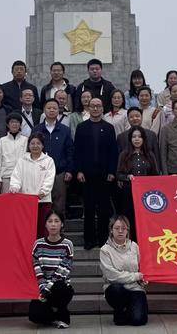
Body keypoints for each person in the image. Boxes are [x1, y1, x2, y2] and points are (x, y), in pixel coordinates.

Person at [73, 98, 119, 249]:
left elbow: (114, 152)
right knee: (89, 208)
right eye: (92, 106)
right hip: (86, 175)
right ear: (88, 108)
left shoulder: (109, 128)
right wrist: (78, 170)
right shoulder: (81, 127)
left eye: (98, 106)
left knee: (104, 209)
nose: (95, 109)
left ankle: (103, 239)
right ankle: (89, 240)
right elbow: (77, 151)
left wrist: (112, 171)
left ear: (102, 108)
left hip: (105, 175)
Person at [28, 211, 74, 329]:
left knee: (60, 286)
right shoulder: (38, 244)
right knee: (34, 315)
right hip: (43, 287)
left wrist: (47, 290)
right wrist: (43, 289)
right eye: (50, 221)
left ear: (62, 224)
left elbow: (63, 270)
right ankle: (54, 315)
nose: (53, 224)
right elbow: (37, 269)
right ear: (45, 224)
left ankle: (63, 316)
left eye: (56, 221)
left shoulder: (67, 244)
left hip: (60, 286)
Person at [100, 215, 148, 327]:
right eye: (117, 228)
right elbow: (112, 276)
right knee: (116, 289)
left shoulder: (134, 246)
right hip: (116, 289)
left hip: (135, 289)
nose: (120, 231)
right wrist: (137, 276)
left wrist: (143, 278)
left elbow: (141, 268)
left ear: (128, 230)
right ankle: (119, 310)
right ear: (111, 230)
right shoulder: (105, 250)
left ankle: (129, 311)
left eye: (124, 228)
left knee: (139, 320)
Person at [116, 127, 158, 241]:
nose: (137, 139)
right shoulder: (124, 155)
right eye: (134, 137)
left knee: (144, 221)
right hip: (129, 194)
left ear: (144, 139)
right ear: (130, 139)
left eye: (139, 137)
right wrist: (127, 177)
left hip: (146, 196)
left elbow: (155, 175)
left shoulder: (150, 155)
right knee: (130, 219)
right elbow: (118, 174)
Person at [10, 133, 56, 237]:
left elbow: (49, 179)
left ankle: (42, 250)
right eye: (32, 143)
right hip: (26, 202)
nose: (35, 146)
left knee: (42, 228)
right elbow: (16, 176)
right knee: (26, 228)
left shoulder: (48, 161)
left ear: (43, 146)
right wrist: (14, 187)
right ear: (29, 145)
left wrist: (43, 191)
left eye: (38, 143)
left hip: (43, 200)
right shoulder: (22, 160)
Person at [37, 99, 74, 217]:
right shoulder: (37, 129)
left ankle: (59, 233)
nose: (52, 110)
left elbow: (70, 151)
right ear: (44, 110)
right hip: (40, 173)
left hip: (59, 173)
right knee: (42, 206)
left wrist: (69, 170)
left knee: (59, 206)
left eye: (54, 108)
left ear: (59, 111)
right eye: (49, 108)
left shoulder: (65, 130)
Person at [0, 112, 28, 193]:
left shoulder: (26, 140)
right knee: (7, 203)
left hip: (22, 176)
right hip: (6, 176)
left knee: (20, 202)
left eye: (17, 122)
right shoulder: (2, 140)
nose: (14, 124)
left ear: (20, 125)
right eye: (12, 122)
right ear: (8, 125)